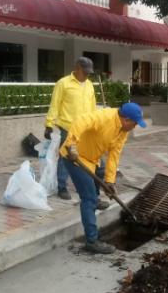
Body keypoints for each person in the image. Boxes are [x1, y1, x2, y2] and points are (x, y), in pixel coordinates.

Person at [59, 102, 146, 254]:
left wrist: (110, 181)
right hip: (75, 157)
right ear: (126, 119)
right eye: (135, 123)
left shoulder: (123, 131)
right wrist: (71, 143)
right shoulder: (104, 117)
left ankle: (95, 199)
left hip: (93, 159)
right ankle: (92, 241)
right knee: (88, 198)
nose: (135, 127)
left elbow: (114, 156)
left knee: (101, 176)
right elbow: (80, 121)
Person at [44, 57, 103, 204]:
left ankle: (85, 187)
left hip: (86, 128)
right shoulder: (63, 83)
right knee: (65, 158)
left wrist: (95, 125)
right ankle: (62, 187)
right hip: (68, 127)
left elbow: (92, 106)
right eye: (85, 71)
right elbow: (55, 104)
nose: (87, 75)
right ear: (77, 68)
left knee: (88, 158)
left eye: (89, 72)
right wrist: (49, 124)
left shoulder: (89, 85)